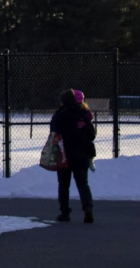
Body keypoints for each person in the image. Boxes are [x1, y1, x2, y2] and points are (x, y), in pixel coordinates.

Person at [51, 88, 97, 223]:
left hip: (63, 153)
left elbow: (53, 132)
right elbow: (92, 135)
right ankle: (87, 208)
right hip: (81, 153)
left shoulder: (59, 115)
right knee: (83, 184)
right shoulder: (83, 114)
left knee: (63, 185)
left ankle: (64, 212)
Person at [73, 89, 97, 172]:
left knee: (89, 145)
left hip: (83, 140)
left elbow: (92, 134)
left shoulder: (85, 111)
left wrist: (85, 124)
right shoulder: (72, 111)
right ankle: (89, 159)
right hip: (77, 141)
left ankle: (90, 159)